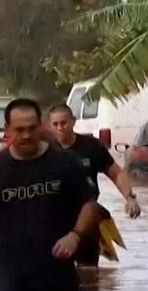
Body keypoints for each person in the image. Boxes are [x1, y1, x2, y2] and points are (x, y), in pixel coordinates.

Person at [0, 98, 102, 291]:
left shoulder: (64, 162)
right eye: (19, 129)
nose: (26, 135)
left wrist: (75, 235)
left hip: (57, 266)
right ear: (7, 129)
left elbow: (90, 204)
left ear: (41, 127)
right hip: (11, 269)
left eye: (31, 128)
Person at [47, 104, 141, 267]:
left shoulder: (91, 146)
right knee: (55, 272)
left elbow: (116, 173)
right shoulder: (45, 149)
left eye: (64, 123)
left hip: (87, 219)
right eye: (55, 124)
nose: (60, 128)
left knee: (89, 273)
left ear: (73, 121)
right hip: (54, 221)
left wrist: (130, 197)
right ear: (49, 125)